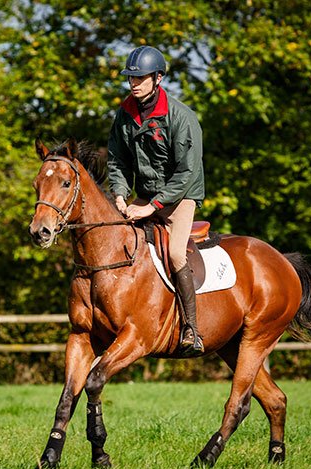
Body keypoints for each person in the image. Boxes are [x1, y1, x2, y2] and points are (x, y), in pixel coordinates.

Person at [107, 45, 206, 356]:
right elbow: (117, 160)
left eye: (140, 78)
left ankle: (192, 329)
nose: (134, 83)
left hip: (181, 196)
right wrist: (120, 193)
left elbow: (187, 172)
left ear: (158, 78)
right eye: (131, 78)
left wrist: (152, 206)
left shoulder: (181, 116)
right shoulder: (125, 115)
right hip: (145, 196)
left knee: (175, 254)